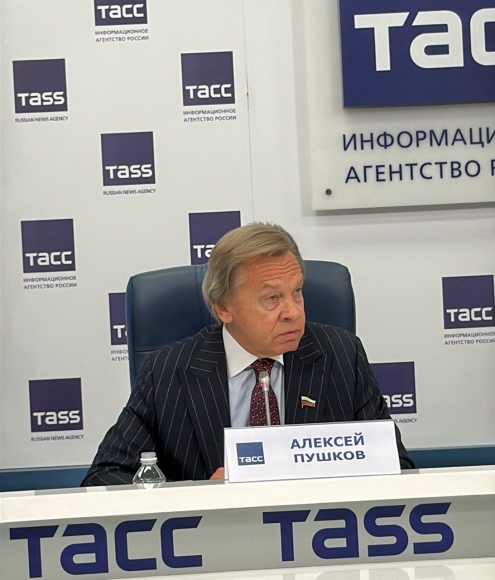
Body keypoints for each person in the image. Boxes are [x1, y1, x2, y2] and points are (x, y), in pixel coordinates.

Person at [82, 223, 413, 485]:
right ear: (223, 307)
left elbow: (397, 466)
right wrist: (197, 496)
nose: (293, 312)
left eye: (297, 292)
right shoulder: (168, 371)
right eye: (272, 298)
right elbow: (104, 478)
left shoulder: (341, 356)